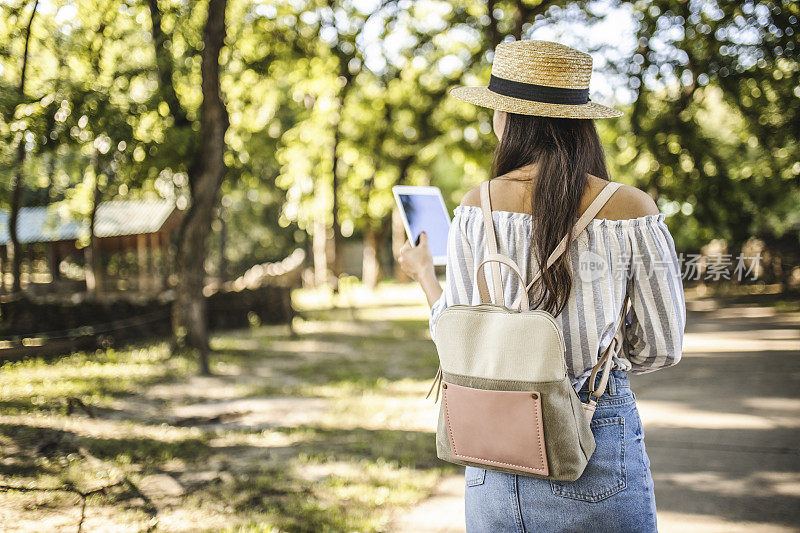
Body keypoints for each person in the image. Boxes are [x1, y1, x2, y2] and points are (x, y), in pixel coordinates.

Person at [397, 40, 686, 533]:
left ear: (506, 118)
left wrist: (425, 274)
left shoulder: (476, 206)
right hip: (591, 428)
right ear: (581, 120)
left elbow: (458, 336)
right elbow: (660, 348)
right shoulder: (632, 209)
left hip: (491, 447)